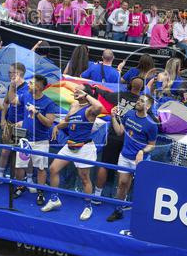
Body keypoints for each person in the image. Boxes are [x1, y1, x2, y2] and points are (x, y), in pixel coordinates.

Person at [45, 87, 104, 220]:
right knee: (53, 169)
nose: (75, 92)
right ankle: (54, 199)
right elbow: (67, 121)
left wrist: (87, 95)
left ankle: (88, 206)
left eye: (79, 91)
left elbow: (99, 106)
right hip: (70, 144)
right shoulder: (73, 105)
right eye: (75, 90)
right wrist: (57, 126)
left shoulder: (90, 109)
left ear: (86, 94)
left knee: (84, 178)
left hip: (85, 147)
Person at [107, 94, 158, 222]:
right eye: (138, 99)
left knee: (142, 187)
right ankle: (118, 211)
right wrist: (113, 117)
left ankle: (143, 215)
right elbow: (119, 131)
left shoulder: (151, 125)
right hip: (125, 155)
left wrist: (142, 151)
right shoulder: (129, 114)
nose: (138, 102)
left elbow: (152, 146)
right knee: (122, 183)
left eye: (142, 101)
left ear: (148, 106)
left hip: (141, 160)